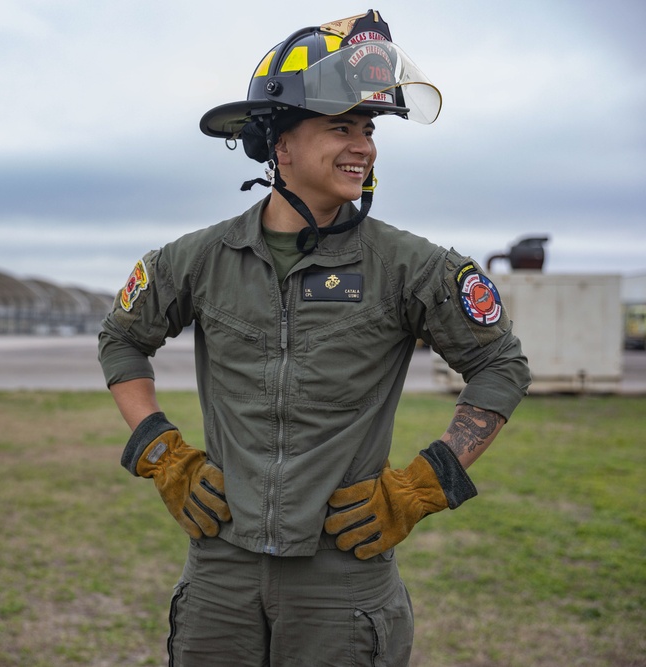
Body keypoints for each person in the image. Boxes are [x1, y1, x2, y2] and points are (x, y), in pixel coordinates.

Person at [97, 9, 530, 666]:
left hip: (344, 576)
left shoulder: (411, 267)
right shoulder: (199, 259)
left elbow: (500, 363)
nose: (364, 146)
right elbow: (121, 337)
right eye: (340, 127)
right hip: (219, 571)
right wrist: (162, 454)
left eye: (369, 129)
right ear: (281, 146)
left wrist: (423, 484)